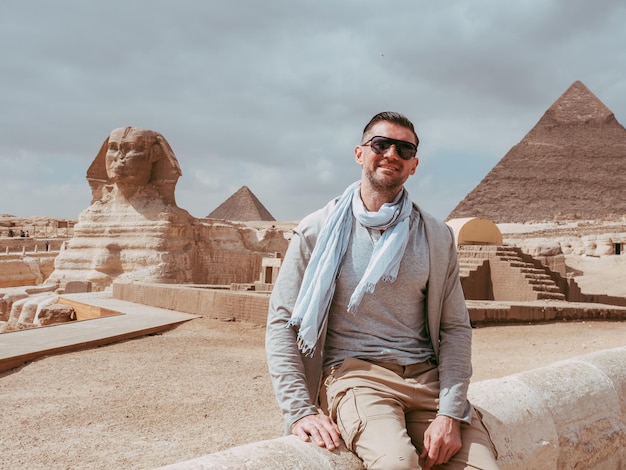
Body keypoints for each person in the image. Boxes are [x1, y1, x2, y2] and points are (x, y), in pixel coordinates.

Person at [266, 112, 499, 469]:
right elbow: (282, 322)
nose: (392, 153)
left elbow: (455, 329)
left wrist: (450, 414)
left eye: (404, 149)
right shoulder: (317, 230)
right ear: (360, 153)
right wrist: (299, 410)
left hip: (427, 380)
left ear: (414, 165)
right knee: (397, 463)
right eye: (381, 144)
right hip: (355, 377)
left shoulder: (435, 236)